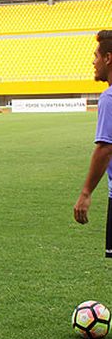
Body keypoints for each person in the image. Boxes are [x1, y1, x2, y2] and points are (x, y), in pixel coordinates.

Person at [74, 30, 112, 259]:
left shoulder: (109, 98)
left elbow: (105, 148)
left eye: (96, 56)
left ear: (108, 58)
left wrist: (86, 193)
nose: (93, 61)